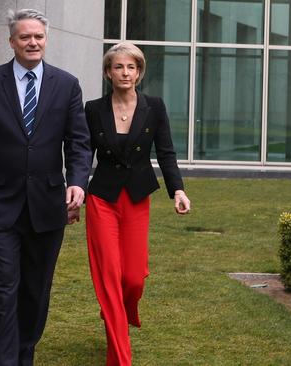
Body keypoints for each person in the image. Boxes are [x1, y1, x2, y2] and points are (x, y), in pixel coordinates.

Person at [0, 8, 92, 366]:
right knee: (4, 288)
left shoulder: (67, 84)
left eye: (39, 37)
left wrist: (78, 182)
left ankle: (23, 355)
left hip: (47, 207)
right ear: (11, 41)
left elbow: (78, 143)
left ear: (45, 40)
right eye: (25, 37)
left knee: (35, 291)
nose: (33, 42)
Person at [81, 42, 191, 366]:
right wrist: (74, 190)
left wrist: (178, 191)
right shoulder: (93, 109)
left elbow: (166, 152)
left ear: (139, 72)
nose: (125, 72)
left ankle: (115, 309)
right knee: (109, 276)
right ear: (108, 72)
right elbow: (83, 155)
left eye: (131, 67)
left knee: (132, 278)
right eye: (118, 67)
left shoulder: (154, 107)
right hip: (101, 199)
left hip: (137, 199)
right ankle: (119, 357)